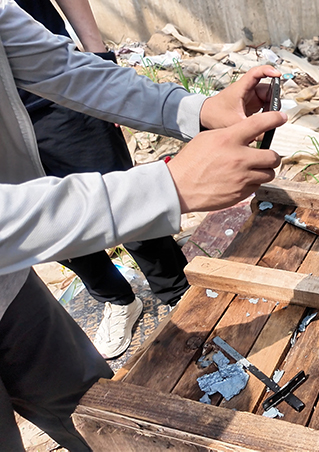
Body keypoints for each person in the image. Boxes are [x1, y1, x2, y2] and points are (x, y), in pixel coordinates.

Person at [0, 0, 286, 449]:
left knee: (98, 413)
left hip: (9, 289)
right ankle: (120, 299)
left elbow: (69, 71)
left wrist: (197, 109)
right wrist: (167, 187)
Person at [15, 0, 190, 360]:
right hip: (8, 135)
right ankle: (118, 299)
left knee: (129, 205)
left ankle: (177, 291)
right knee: (51, 227)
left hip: (58, 92)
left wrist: (98, 58)